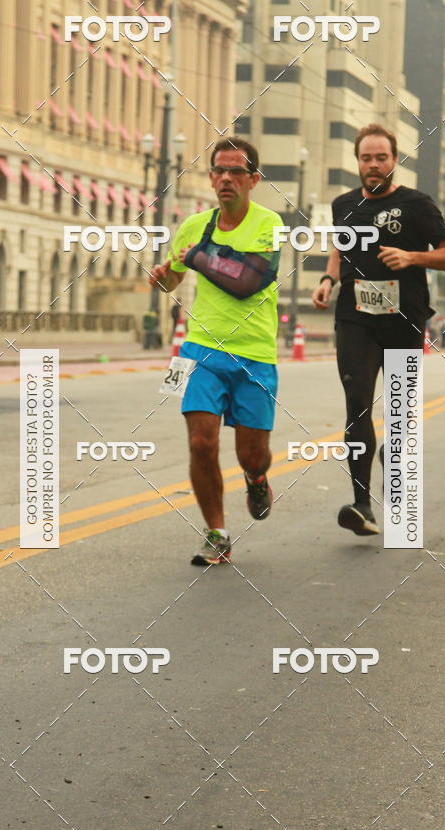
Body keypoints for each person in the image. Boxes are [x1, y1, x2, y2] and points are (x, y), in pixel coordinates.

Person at [311, 123, 445, 536]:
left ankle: (397, 494)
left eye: (381, 157)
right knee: (357, 403)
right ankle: (362, 504)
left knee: (399, 416)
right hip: (355, 318)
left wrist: (413, 258)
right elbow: (339, 247)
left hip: (403, 320)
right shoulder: (343, 204)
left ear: (394, 160)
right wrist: (329, 280)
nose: (374, 165)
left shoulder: (418, 204)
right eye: (367, 158)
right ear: (358, 162)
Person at [149, 137, 284, 565]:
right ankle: (217, 532)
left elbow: (248, 283)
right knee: (201, 442)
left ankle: (257, 476)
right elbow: (173, 278)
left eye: (236, 172)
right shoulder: (192, 227)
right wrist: (162, 277)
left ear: (253, 180)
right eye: (219, 171)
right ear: (210, 178)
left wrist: (201, 259)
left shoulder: (269, 224)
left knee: (251, 452)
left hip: (255, 354)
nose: (226, 178)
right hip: (199, 350)